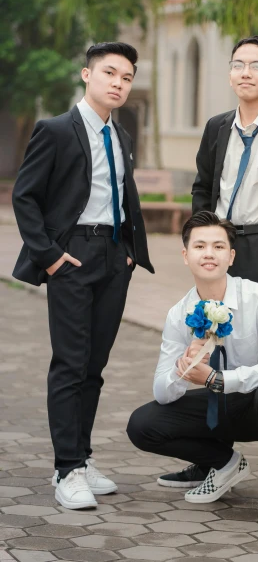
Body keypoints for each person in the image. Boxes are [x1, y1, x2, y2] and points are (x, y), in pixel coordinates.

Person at [158, 35, 258, 502]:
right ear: (230, 74)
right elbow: (202, 185)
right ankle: (212, 459)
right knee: (209, 346)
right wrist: (202, 238)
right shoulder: (216, 127)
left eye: (256, 65)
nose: (245, 72)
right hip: (221, 245)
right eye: (237, 64)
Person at [12, 42, 154, 510]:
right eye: (110, 73)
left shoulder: (122, 136)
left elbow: (124, 196)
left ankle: (83, 457)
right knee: (70, 365)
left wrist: (130, 252)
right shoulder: (55, 130)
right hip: (72, 256)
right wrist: (51, 256)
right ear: (86, 75)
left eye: (126, 77)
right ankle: (66, 469)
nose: (118, 82)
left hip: (114, 257)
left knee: (94, 366)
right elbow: (25, 198)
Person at [127, 211, 258, 533]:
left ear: (231, 255)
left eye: (218, 246)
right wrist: (181, 370)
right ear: (186, 255)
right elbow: (161, 391)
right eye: (200, 246)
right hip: (219, 407)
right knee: (143, 424)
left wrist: (218, 379)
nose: (209, 253)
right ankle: (225, 463)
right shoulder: (179, 313)